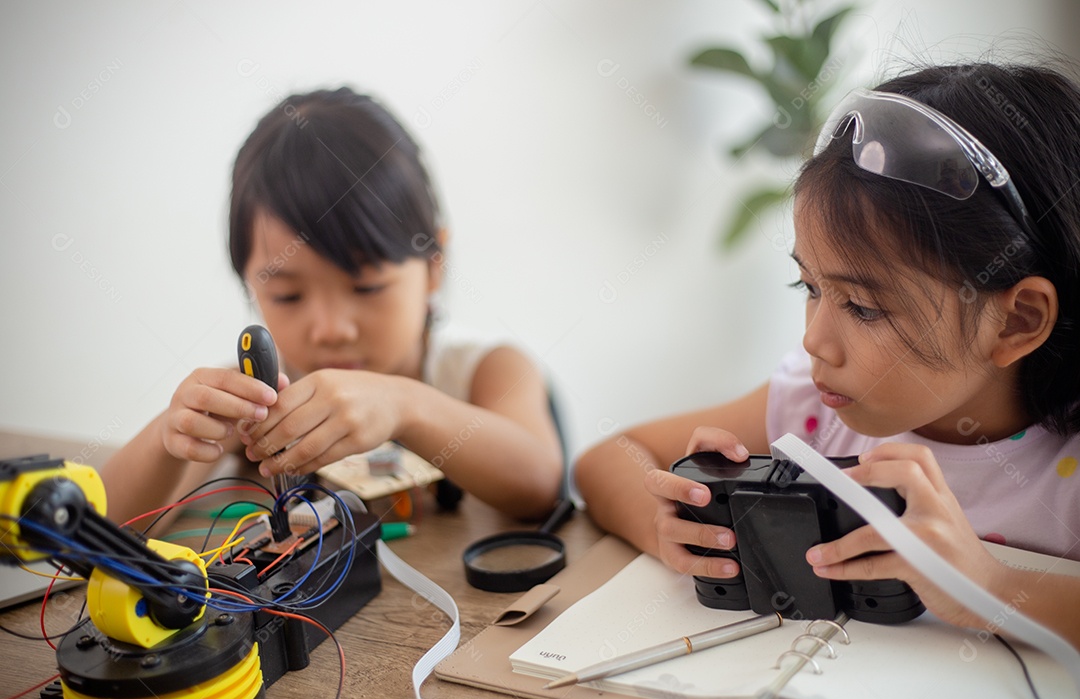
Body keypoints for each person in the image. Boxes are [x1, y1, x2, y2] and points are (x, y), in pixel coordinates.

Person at [575, 61, 1080, 647]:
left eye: (863, 307)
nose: (813, 341)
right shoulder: (813, 411)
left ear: (1017, 322)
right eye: (810, 287)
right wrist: (669, 528)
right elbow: (608, 459)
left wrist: (989, 585)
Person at [103, 88, 563, 526]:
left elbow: (541, 484)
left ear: (433, 266)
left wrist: (406, 405)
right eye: (287, 295)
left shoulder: (484, 370)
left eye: (366, 287)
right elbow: (97, 528)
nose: (330, 329)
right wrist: (170, 438)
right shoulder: (260, 396)